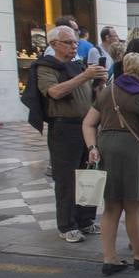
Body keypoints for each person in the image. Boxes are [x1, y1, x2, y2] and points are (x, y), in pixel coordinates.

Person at [83, 52, 139, 271]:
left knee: (111, 207)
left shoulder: (107, 91)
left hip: (105, 149)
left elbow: (89, 123)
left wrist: (92, 148)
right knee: (134, 206)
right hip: (131, 150)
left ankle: (109, 259)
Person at [37, 25, 105, 243]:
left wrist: (98, 84)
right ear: (54, 44)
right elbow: (55, 92)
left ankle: (86, 219)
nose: (74, 45)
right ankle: (67, 224)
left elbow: (90, 95)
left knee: (90, 172)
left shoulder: (77, 66)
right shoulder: (46, 67)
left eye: (75, 41)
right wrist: (85, 75)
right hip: (64, 127)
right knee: (67, 178)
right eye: (68, 42)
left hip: (87, 126)